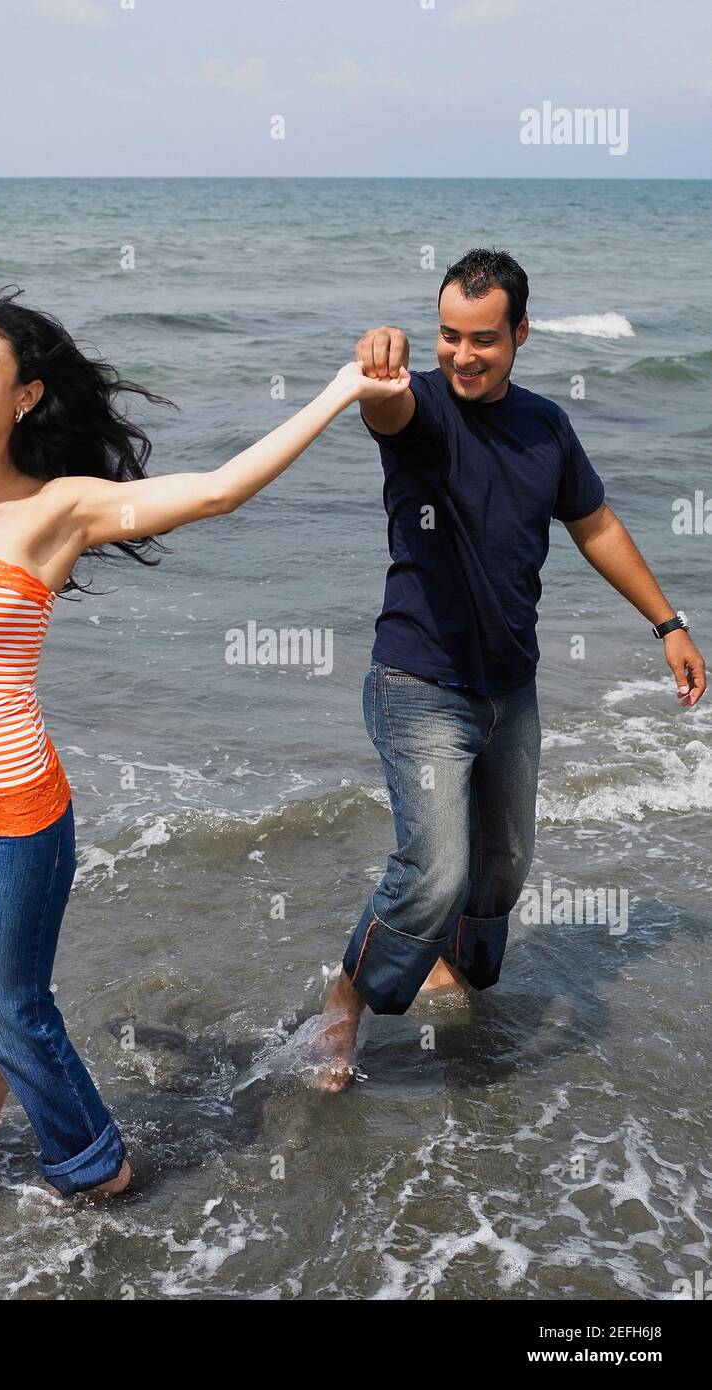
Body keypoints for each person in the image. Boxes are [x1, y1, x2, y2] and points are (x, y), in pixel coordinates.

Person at [0, 284, 408, 1198]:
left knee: (11, 1006)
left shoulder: (60, 509)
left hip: (15, 817)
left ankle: (96, 1164)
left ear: (25, 394)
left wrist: (343, 387)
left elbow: (219, 491)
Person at [314, 247, 707, 1092]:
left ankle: (460, 973)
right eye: (448, 335)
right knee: (436, 872)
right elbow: (382, 407)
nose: (462, 354)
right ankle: (349, 994)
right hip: (416, 683)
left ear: (521, 333)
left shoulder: (545, 427)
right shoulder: (419, 407)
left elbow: (594, 524)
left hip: (510, 691)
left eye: (484, 339)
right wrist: (379, 357)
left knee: (501, 874)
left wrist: (667, 623)